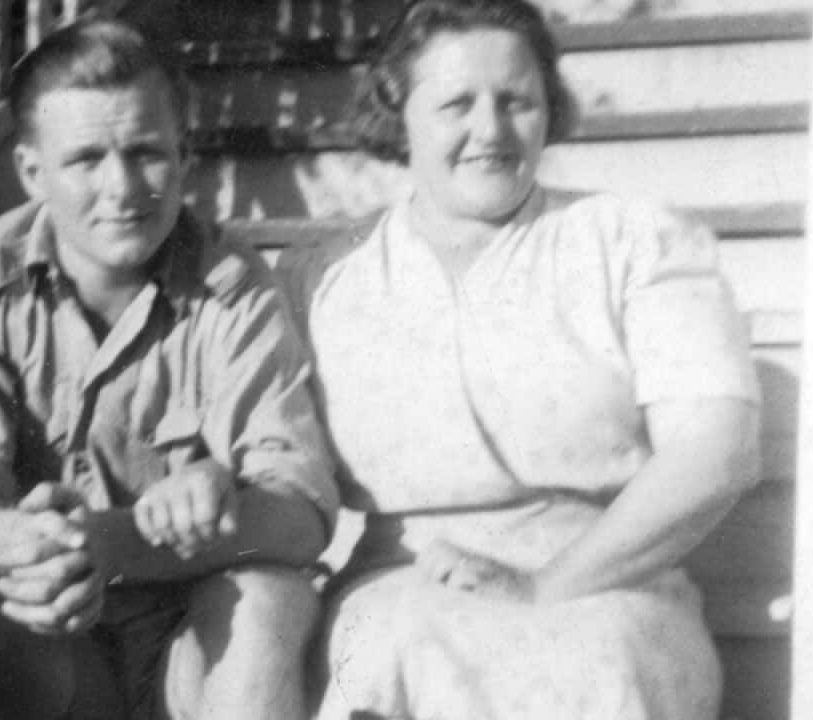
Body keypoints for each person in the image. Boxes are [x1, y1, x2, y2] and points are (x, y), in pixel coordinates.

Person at [279, 1, 761, 718]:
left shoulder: (632, 242)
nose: (491, 131)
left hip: (608, 586)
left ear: (549, 108)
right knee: (392, 646)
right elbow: (272, 463)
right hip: (402, 585)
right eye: (455, 104)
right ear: (397, 113)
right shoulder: (323, 277)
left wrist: (545, 586)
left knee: (592, 660)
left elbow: (716, 455)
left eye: (517, 102)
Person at [0, 17, 337, 720]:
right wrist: (21, 544)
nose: (121, 187)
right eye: (86, 159)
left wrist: (146, 527)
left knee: (270, 596)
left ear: (184, 157)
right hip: (49, 652)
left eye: (146, 152)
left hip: (195, 652)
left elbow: (300, 513)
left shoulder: (236, 288)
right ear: (32, 171)